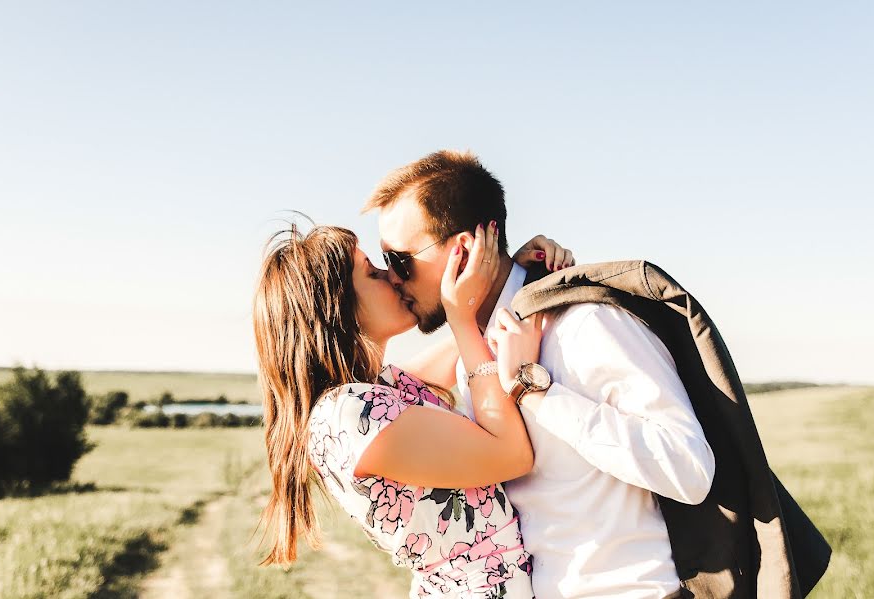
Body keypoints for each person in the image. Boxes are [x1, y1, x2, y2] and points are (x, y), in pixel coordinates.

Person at [364, 150, 716, 599]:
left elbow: (689, 469)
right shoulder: (473, 355)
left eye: (400, 261)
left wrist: (537, 392)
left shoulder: (585, 324)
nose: (393, 278)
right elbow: (374, 392)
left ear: (464, 250)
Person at [253, 220, 573, 598]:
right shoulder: (352, 415)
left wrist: (506, 279)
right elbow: (512, 453)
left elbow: (468, 351)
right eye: (372, 273)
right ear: (336, 307)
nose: (393, 277)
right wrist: (461, 317)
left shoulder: (374, 392)